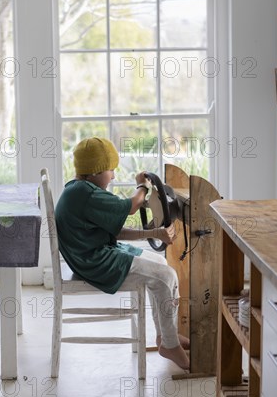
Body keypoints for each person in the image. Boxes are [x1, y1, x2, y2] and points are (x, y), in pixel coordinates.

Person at [55, 137, 189, 370]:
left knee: (160, 262)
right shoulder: (86, 193)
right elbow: (133, 205)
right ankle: (170, 344)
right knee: (165, 276)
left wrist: (155, 232)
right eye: (111, 170)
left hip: (93, 253)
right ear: (95, 171)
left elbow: (114, 231)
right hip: (95, 262)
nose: (114, 176)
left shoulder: (78, 189)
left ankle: (166, 337)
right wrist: (143, 186)